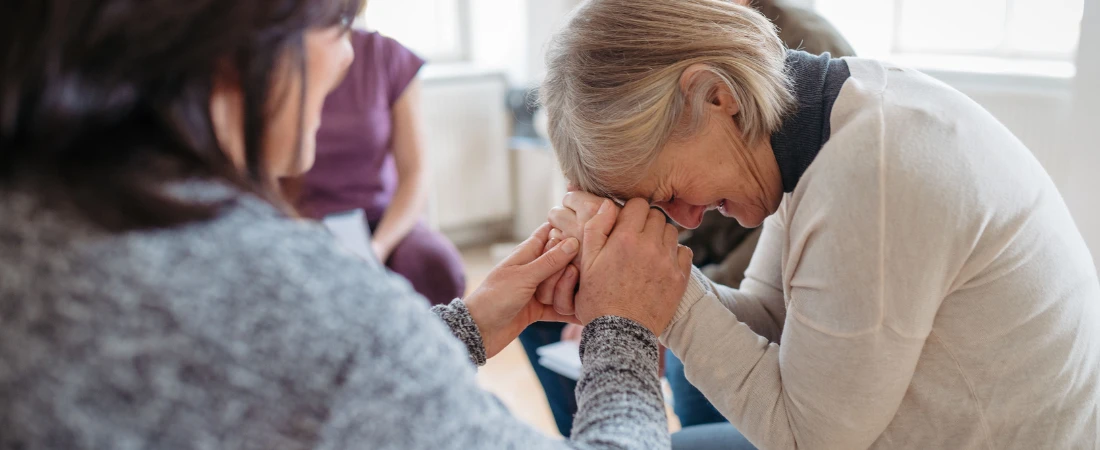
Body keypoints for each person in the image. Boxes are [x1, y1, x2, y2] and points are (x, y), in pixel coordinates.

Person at [0, 0, 692, 448]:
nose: (348, 56)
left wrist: (469, 325)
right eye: (334, 26)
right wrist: (627, 331)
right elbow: (312, 358)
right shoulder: (294, 295)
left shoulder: (32, 212)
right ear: (235, 45)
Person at [540, 0, 1100, 449]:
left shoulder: (872, 170)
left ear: (716, 97)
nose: (683, 219)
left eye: (665, 192)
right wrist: (638, 284)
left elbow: (806, 440)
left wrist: (663, 297)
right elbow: (769, 317)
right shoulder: (826, 117)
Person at [519, 0, 857, 437]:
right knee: (550, 311)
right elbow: (661, 193)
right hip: (718, 263)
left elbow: (779, 250)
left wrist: (652, 295)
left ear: (719, 97)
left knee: (683, 369)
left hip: (742, 265)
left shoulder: (804, 67)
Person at [288, 27, 464, 305]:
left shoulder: (386, 56)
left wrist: (377, 249)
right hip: (298, 222)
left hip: (380, 220)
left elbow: (415, 172)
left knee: (433, 262)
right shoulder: (275, 59)